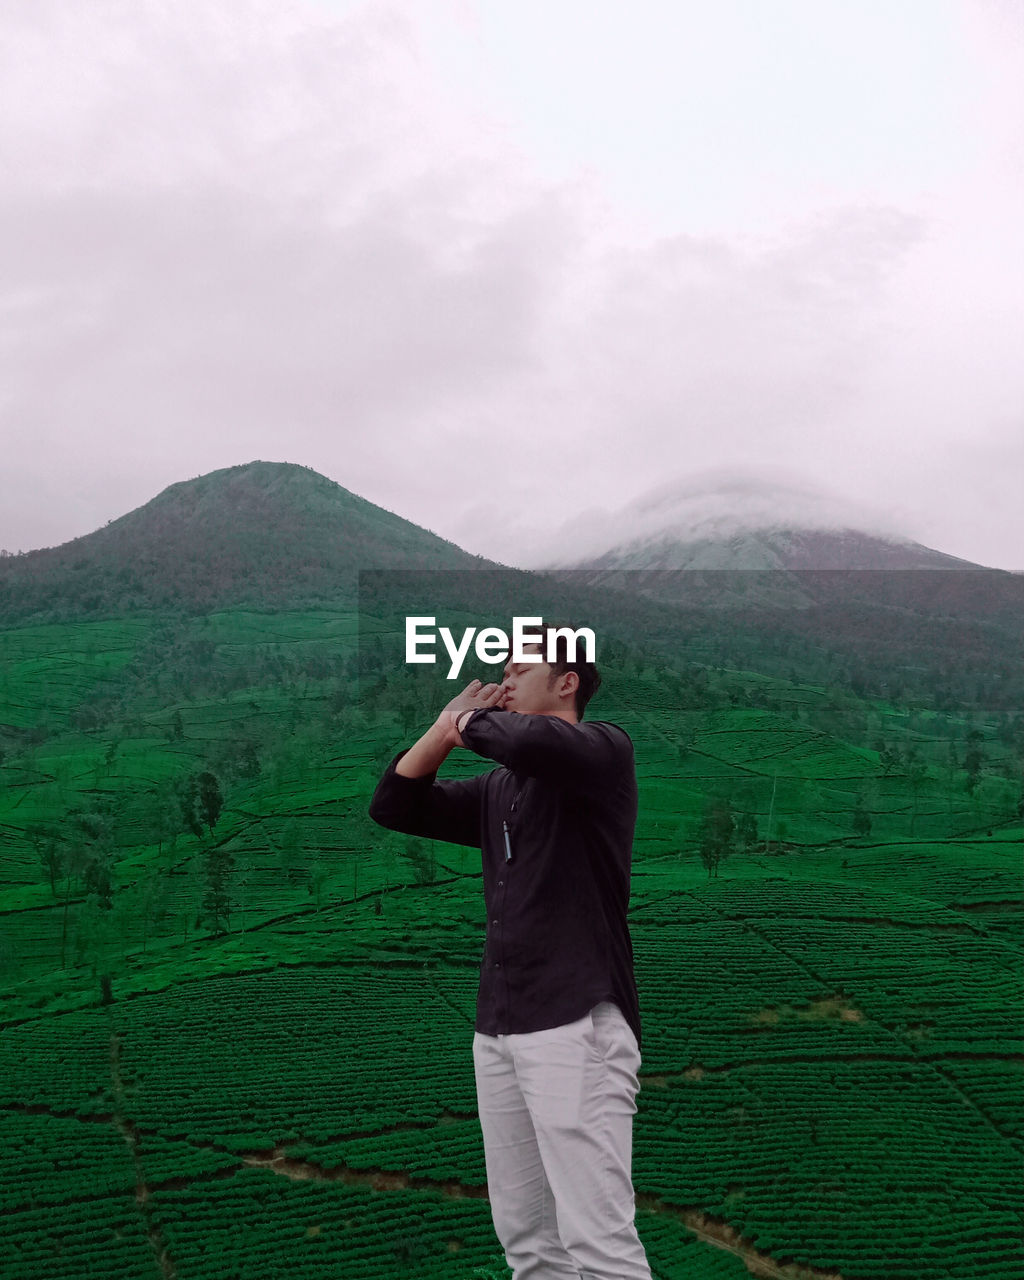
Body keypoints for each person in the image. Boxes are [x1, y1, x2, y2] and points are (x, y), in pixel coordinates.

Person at [368, 625, 653, 1279]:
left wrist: (466, 718)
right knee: (526, 1238)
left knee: (598, 1241)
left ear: (567, 682)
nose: (506, 682)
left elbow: (527, 738)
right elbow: (394, 805)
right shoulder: (499, 790)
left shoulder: (604, 751)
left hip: (576, 1022)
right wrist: (443, 733)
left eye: (520, 669)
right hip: (498, 1027)